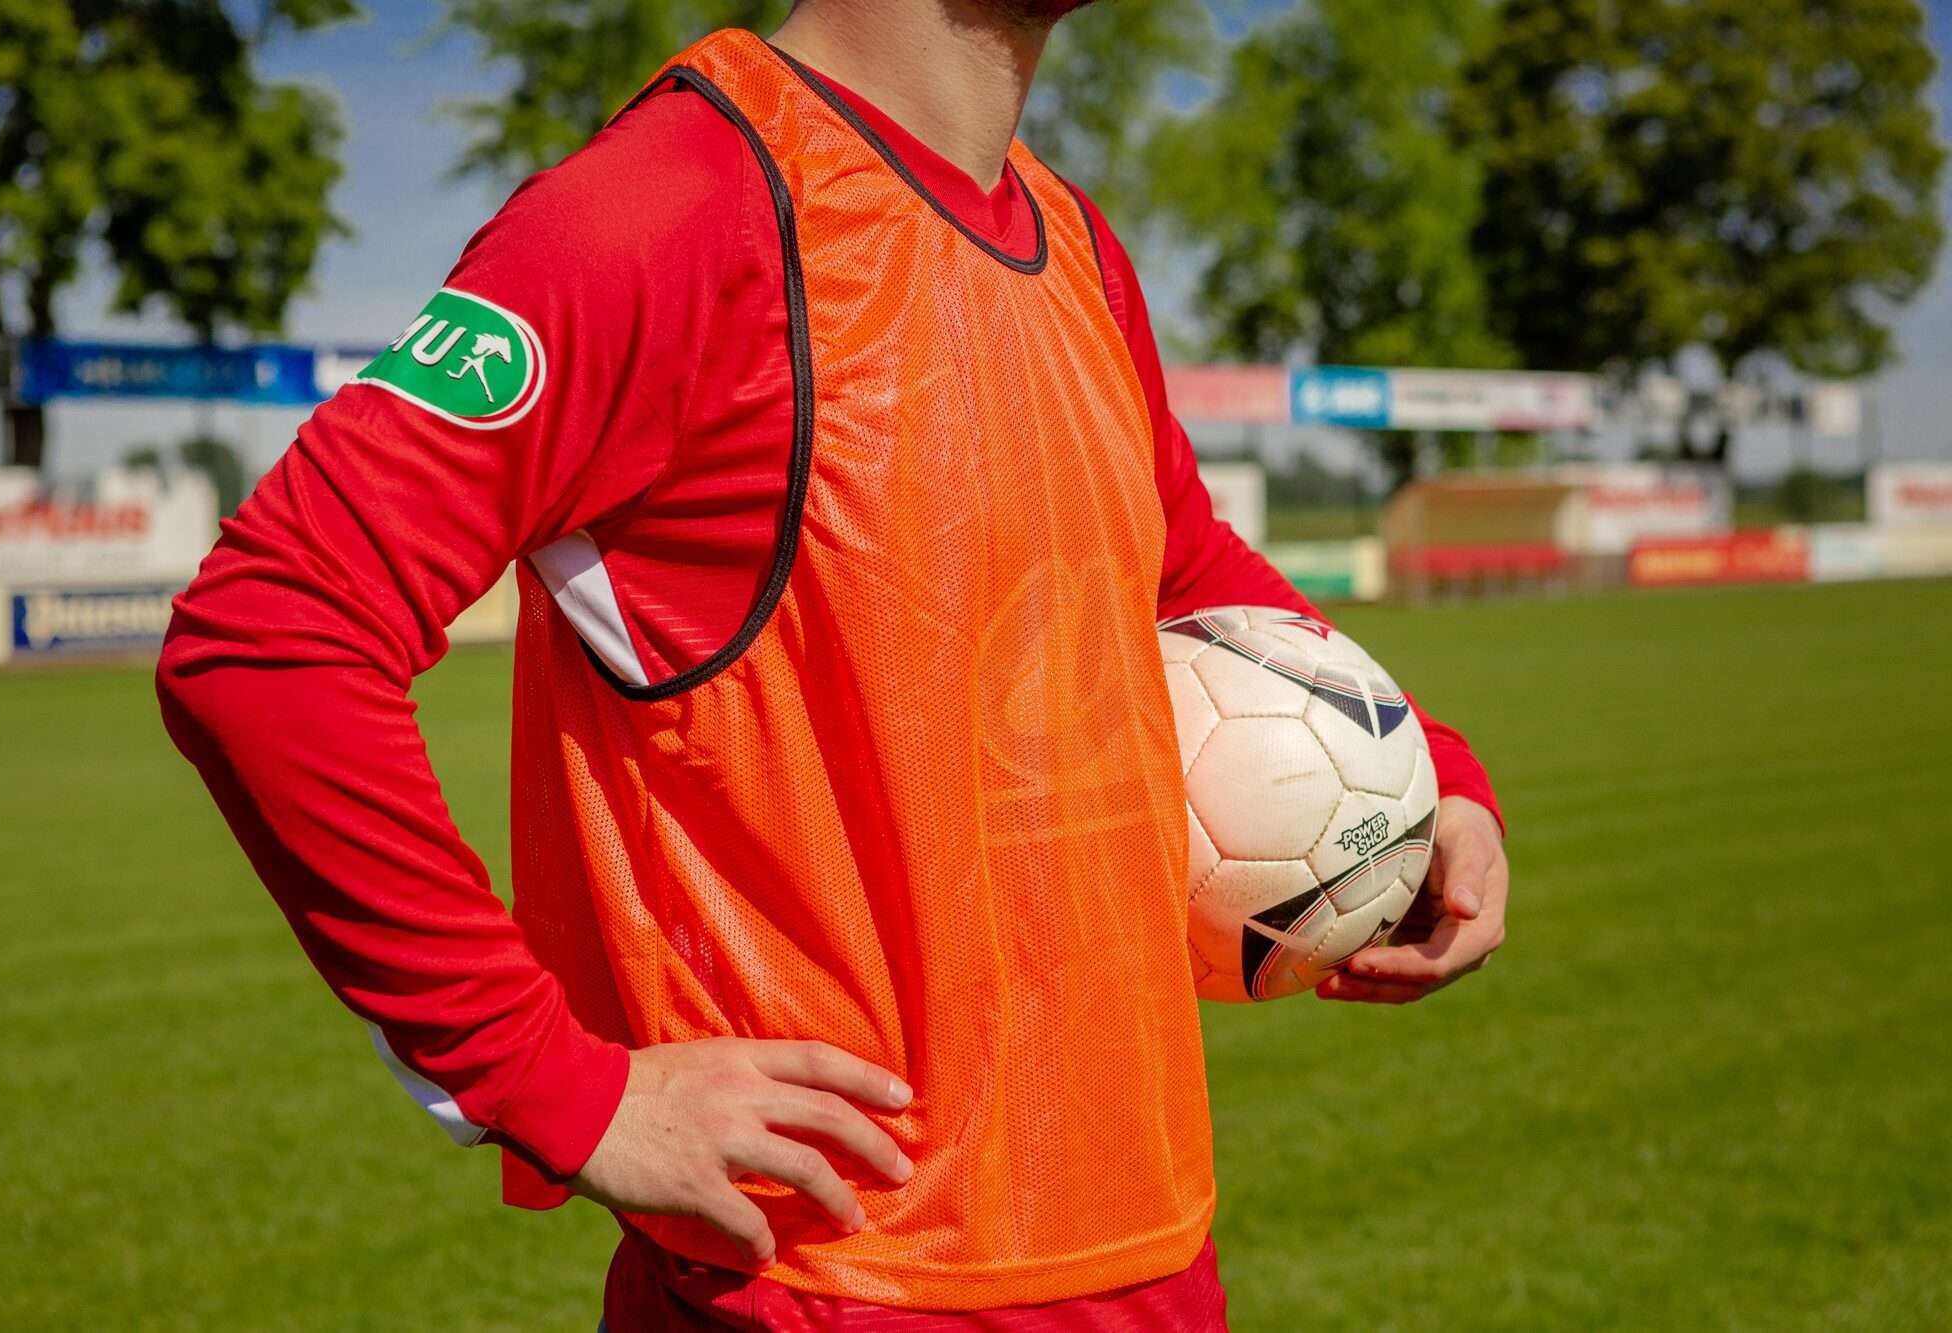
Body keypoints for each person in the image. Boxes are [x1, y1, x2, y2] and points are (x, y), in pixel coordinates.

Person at [157, 2, 1510, 1327]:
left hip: (1142, 1241)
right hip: (839, 1278)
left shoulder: (1079, 243)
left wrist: (1429, 771)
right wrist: (548, 1076)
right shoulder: (673, 207)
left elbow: (1183, 565)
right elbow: (274, 630)